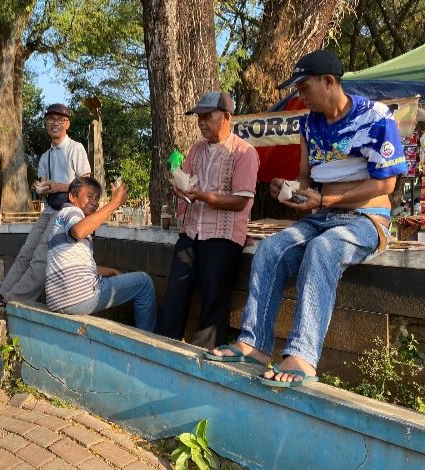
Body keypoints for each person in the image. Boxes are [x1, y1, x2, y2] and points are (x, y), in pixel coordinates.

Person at [205, 50, 406, 387]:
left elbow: (385, 183)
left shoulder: (376, 117)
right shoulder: (309, 123)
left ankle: (303, 356)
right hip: (322, 216)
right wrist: (289, 190)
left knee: (322, 249)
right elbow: (305, 178)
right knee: (271, 249)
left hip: (366, 219)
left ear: (328, 81)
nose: (300, 96)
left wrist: (326, 199)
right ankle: (254, 345)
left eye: (304, 87)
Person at [157, 92, 259, 350]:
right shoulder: (196, 149)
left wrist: (202, 196)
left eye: (206, 116)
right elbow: (187, 184)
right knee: (175, 292)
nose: (201, 122)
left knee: (214, 298)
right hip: (192, 231)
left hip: (223, 236)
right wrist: (180, 189)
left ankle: (203, 355)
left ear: (226, 117)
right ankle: (163, 348)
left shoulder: (245, 152)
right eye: (198, 117)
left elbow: (241, 201)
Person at [0, 103, 91, 307]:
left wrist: (61, 186)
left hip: (67, 212)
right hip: (49, 209)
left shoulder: (75, 148)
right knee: (24, 254)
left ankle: (10, 300)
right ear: (46, 123)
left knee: (40, 258)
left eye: (60, 120)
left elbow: (86, 183)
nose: (55, 123)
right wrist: (41, 187)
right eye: (51, 119)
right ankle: (1, 294)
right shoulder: (46, 156)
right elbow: (44, 185)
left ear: (67, 124)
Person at [45, 177, 157, 332]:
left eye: (97, 198)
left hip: (57, 301)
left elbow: (79, 268)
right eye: (89, 196)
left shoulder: (60, 220)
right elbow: (78, 231)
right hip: (79, 298)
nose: (94, 202)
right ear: (72, 197)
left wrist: (111, 271)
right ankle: (146, 339)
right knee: (144, 282)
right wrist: (114, 203)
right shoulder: (72, 212)